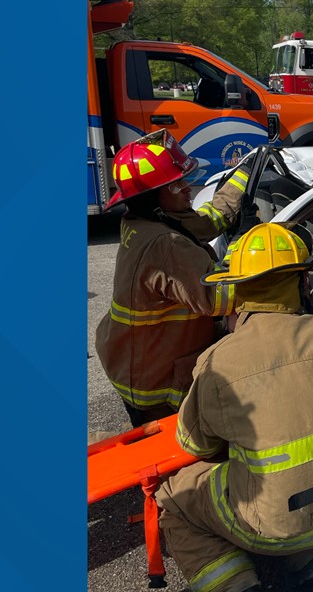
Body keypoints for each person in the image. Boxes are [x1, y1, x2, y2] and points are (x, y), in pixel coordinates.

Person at [157, 223, 313, 592]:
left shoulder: (219, 363)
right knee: (307, 463)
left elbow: (195, 446)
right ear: (303, 283)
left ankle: (236, 584)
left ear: (234, 288)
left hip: (272, 528)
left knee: (174, 497)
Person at [95, 129, 256, 427]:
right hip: (153, 384)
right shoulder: (164, 243)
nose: (186, 188)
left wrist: (245, 172)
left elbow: (208, 222)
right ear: (151, 197)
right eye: (174, 185)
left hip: (132, 356)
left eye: (183, 179)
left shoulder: (144, 219)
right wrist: (246, 244)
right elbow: (220, 296)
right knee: (172, 453)